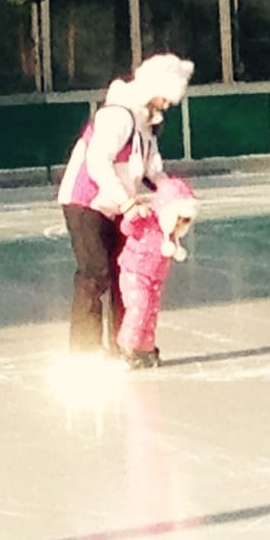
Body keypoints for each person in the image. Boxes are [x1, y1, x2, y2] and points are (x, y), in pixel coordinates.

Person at [57, 53, 195, 355]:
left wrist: (176, 196)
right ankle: (85, 350)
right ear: (153, 89)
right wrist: (128, 202)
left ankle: (126, 344)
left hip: (118, 205)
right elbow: (97, 163)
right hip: (86, 202)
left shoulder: (147, 123)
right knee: (96, 272)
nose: (169, 105)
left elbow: (151, 171)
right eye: (166, 97)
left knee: (125, 273)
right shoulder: (118, 116)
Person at [115, 174, 199, 369]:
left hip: (154, 278)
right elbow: (127, 228)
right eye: (179, 218)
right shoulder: (149, 219)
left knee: (151, 311)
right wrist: (135, 214)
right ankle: (127, 345)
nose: (180, 225)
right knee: (140, 307)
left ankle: (145, 347)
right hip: (134, 273)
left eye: (186, 222)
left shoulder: (169, 233)